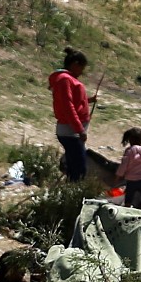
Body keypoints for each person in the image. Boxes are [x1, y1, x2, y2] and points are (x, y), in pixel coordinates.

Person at [48, 46, 96, 182]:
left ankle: (69, 191)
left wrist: (89, 101)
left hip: (72, 131)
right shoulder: (65, 80)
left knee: (74, 165)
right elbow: (67, 106)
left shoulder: (67, 79)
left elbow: (74, 102)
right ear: (75, 64)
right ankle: (73, 196)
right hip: (71, 132)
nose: (82, 72)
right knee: (79, 168)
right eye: (82, 68)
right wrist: (79, 129)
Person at [116, 127, 141, 210]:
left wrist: (118, 176)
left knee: (128, 199)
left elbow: (123, 165)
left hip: (131, 180)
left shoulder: (129, 151)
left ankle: (126, 212)